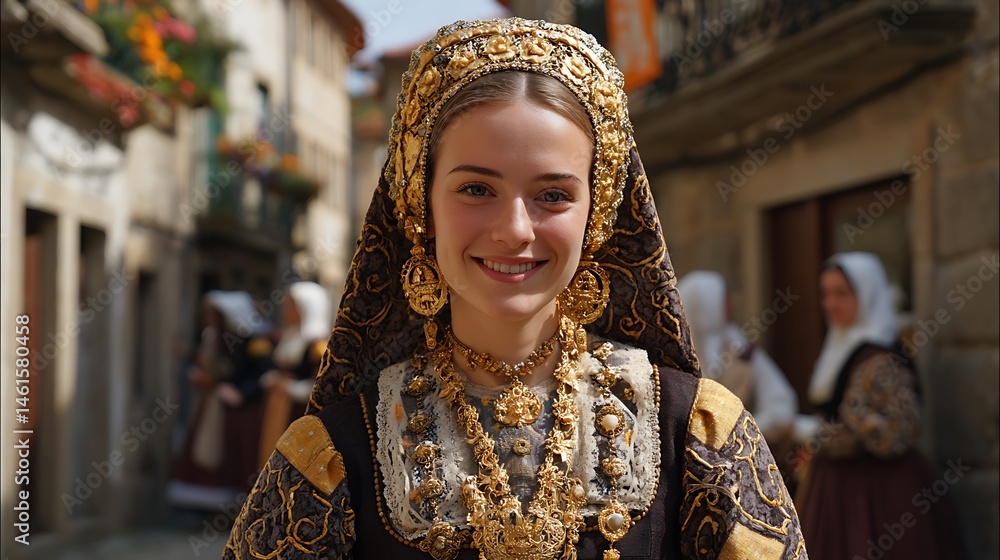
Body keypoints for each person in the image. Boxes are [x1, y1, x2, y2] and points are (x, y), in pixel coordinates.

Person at [224, 18, 806, 559]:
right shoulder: (333, 454)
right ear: (419, 204)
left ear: (596, 214)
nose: (515, 230)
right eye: (477, 189)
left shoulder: (697, 433)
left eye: (553, 195)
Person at [792, 252, 962, 560]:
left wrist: (812, 433)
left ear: (867, 293)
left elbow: (898, 432)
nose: (830, 304)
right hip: (836, 489)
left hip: (882, 494)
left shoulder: (883, 359)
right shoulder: (839, 346)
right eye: (826, 294)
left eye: (841, 294)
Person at [168, 290, 273, 509]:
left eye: (216, 316)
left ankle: (236, 504)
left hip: (239, 411)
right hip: (213, 405)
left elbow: (261, 372)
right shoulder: (212, 337)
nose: (211, 321)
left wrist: (241, 392)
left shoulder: (252, 341)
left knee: (235, 452)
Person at [677, 270, 797, 444]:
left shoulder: (743, 353)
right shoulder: (670, 361)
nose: (730, 305)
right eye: (724, 298)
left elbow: (781, 409)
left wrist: (737, 436)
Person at [257, 281, 331, 467]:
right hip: (279, 405)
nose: (286, 311)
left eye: (292, 306)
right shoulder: (289, 336)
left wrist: (290, 387)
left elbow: (321, 386)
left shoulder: (317, 346)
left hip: (297, 412)